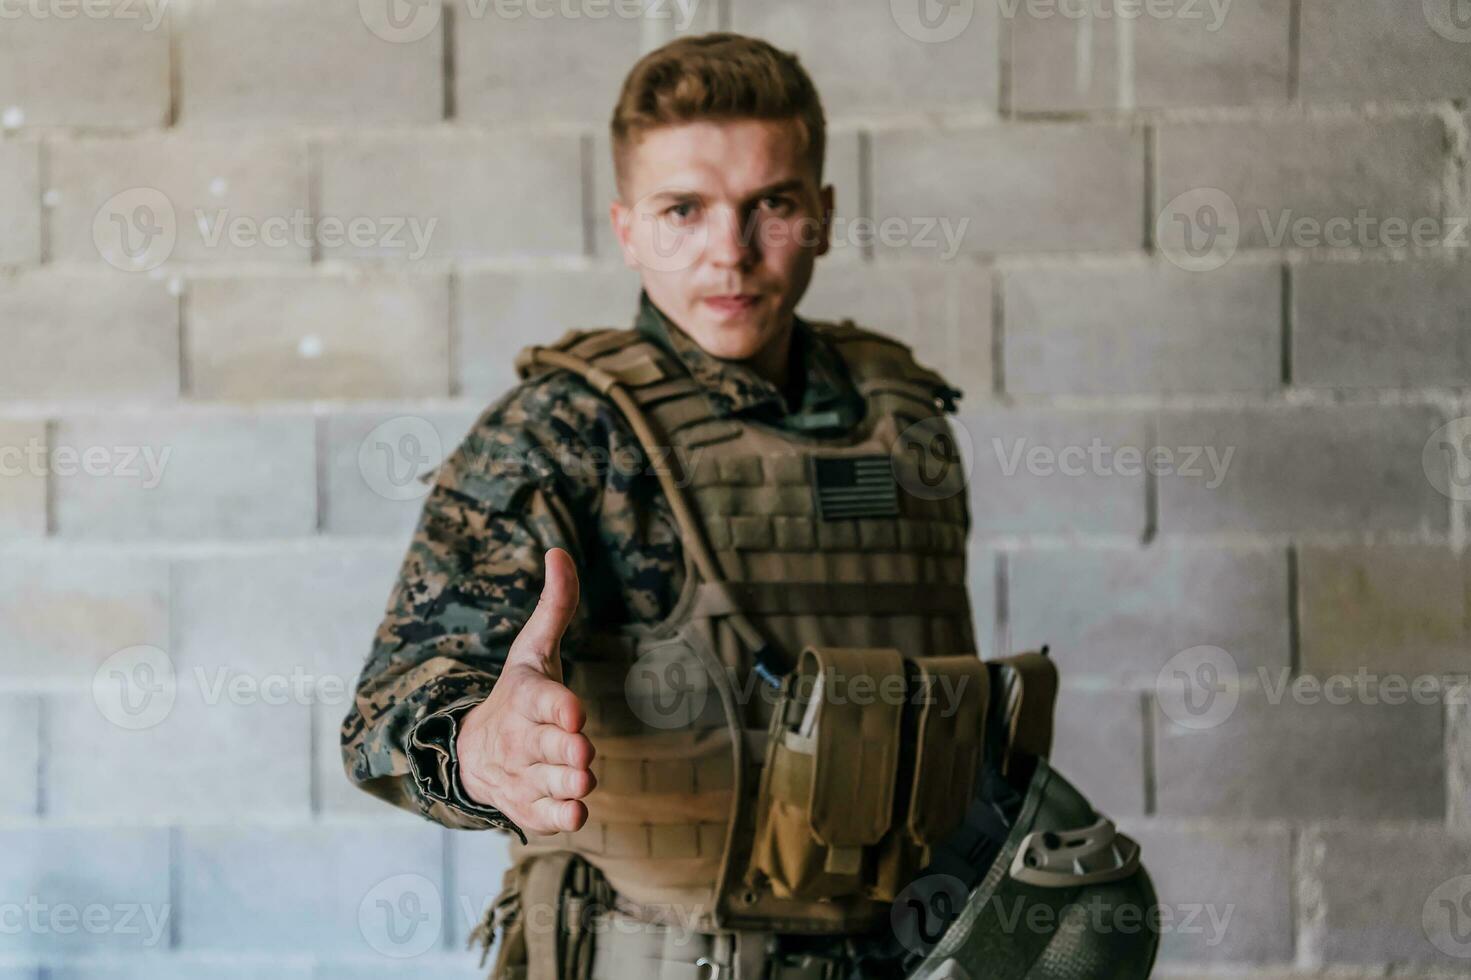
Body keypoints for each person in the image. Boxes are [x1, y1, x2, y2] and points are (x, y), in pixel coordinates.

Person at [343, 31, 1152, 980]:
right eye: (682, 209)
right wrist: (481, 745)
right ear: (627, 226)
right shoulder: (561, 433)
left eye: (768, 204)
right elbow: (387, 714)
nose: (729, 251)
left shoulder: (906, 420)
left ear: (822, 213)